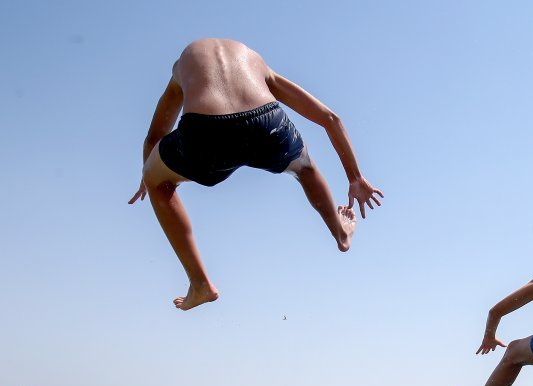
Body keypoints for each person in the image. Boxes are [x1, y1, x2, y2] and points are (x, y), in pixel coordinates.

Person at [128, 38, 383, 310]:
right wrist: (354, 177)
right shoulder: (256, 63)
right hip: (266, 124)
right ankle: (340, 234)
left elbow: (155, 136)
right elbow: (330, 119)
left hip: (205, 134)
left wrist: (150, 176)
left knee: (157, 182)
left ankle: (200, 283)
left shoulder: (182, 67)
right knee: (305, 169)